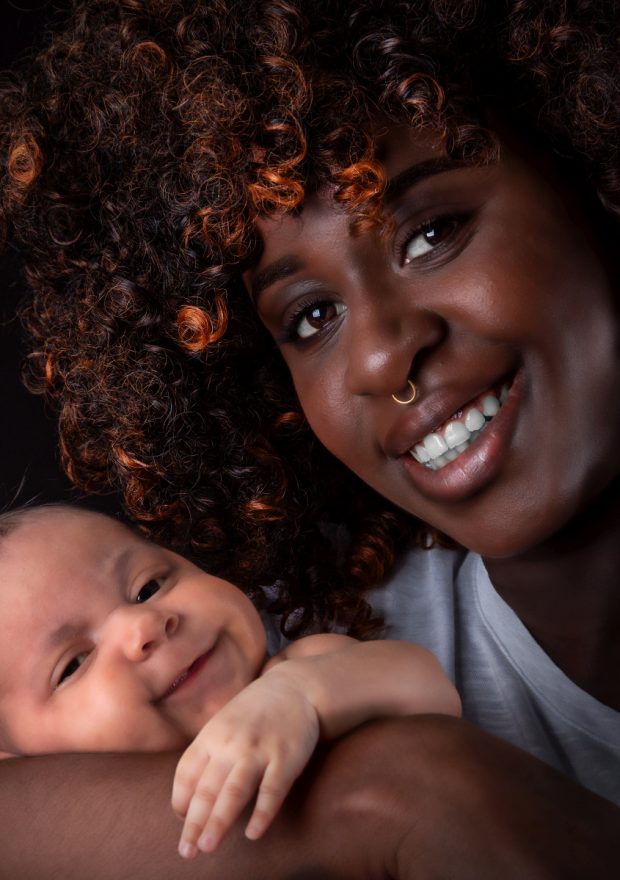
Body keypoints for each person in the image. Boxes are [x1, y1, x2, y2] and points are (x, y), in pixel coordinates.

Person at [0, 0, 619, 877]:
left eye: (432, 233)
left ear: (585, 165)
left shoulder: (301, 652)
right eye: (312, 316)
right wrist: (396, 793)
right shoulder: (334, 609)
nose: (378, 355)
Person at [0, 501, 459, 859]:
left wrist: (300, 696)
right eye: (73, 664)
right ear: (17, 763)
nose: (144, 624)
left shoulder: (297, 672)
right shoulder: (74, 850)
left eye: (149, 587)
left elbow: (431, 688)